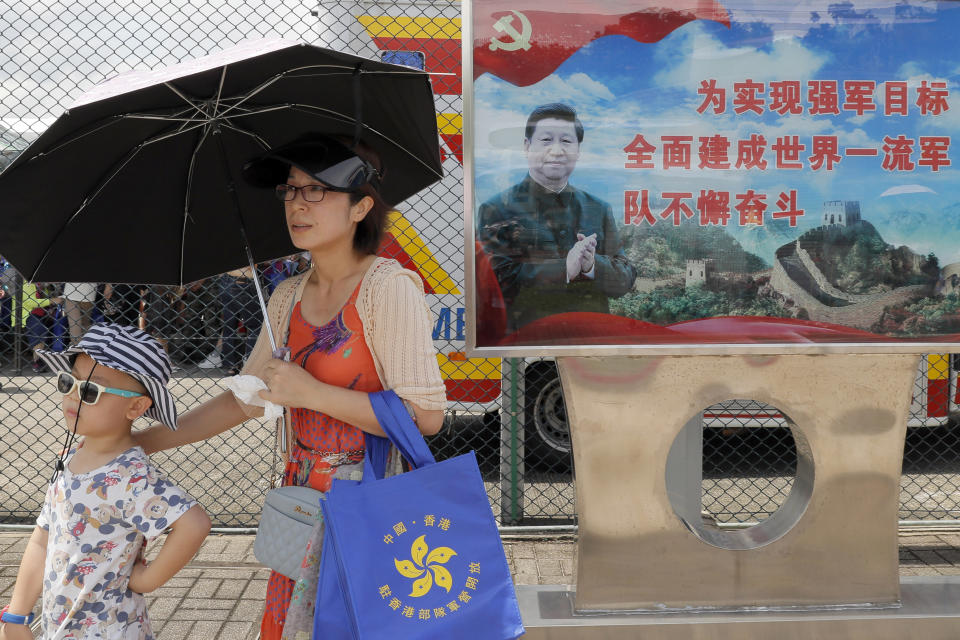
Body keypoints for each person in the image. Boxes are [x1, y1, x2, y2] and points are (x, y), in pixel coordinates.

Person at [132, 133, 446, 639]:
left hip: (370, 505)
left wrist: (311, 394)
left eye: (317, 190)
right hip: (300, 502)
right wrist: (138, 442)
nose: (298, 204)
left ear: (361, 206)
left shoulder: (387, 287)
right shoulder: (286, 295)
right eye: (291, 190)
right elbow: (245, 400)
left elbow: (426, 417)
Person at [0, 323, 210, 640]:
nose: (74, 396)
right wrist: (17, 614)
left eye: (90, 391)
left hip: (111, 629)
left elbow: (194, 524)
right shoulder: (70, 458)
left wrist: (146, 580)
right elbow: (42, 538)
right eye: (68, 382)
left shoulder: (130, 476)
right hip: (59, 625)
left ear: (136, 406)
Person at [477, 102, 636, 333]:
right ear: (527, 146)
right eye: (546, 140)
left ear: (578, 151)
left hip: (591, 341)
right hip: (526, 341)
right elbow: (495, 281)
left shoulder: (598, 208)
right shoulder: (496, 208)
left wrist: (592, 265)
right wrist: (566, 269)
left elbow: (624, 280)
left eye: (566, 141)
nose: (557, 150)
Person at [218, 266, 263, 376]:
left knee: (229, 325)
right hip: (244, 280)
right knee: (255, 325)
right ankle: (250, 363)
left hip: (226, 280)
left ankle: (230, 365)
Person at [62, 283, 97, 347]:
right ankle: (85, 349)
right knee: (85, 323)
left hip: (72, 287)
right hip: (89, 287)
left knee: (75, 324)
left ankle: (77, 349)